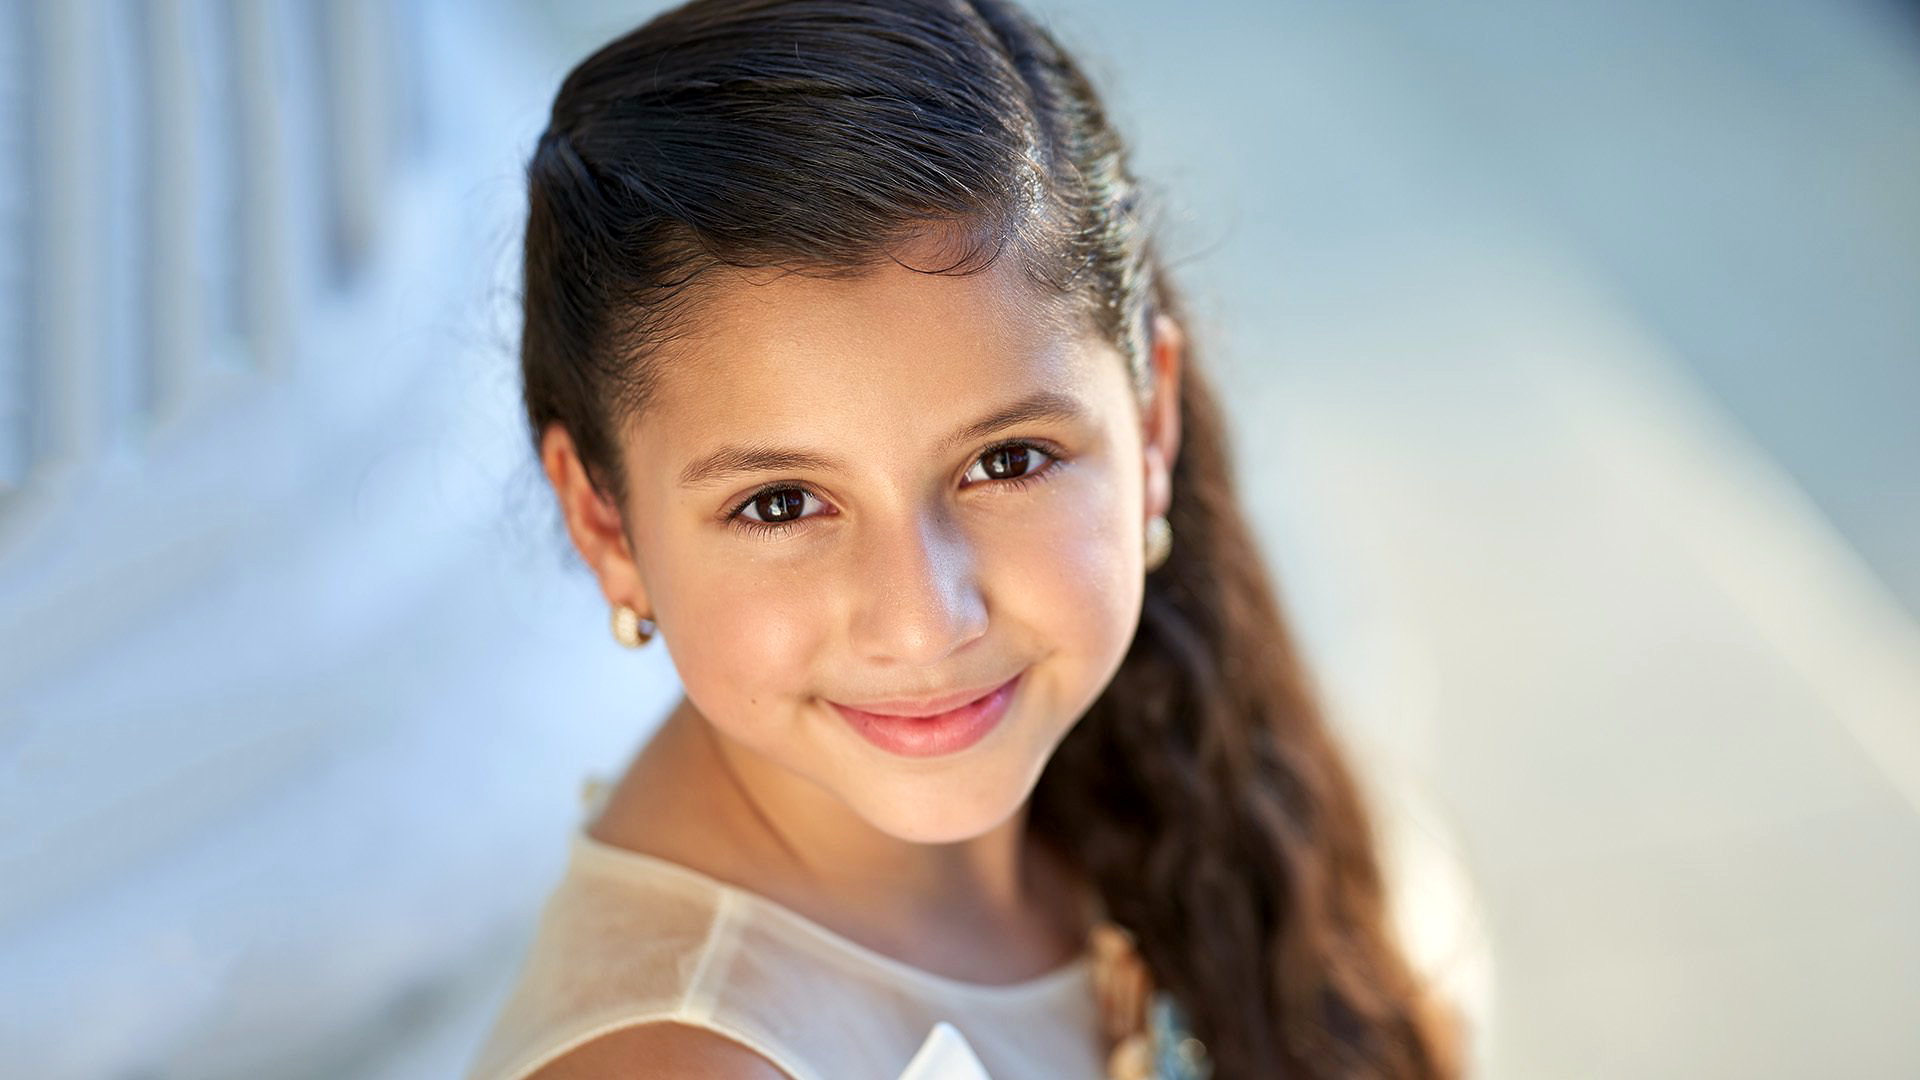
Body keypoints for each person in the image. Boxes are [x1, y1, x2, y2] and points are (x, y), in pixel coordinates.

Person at [467, 1, 1468, 1077]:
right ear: (605, 520)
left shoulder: (1181, 757)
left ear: (1152, 421)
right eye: (781, 503)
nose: (924, 620)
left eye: (1006, 462)